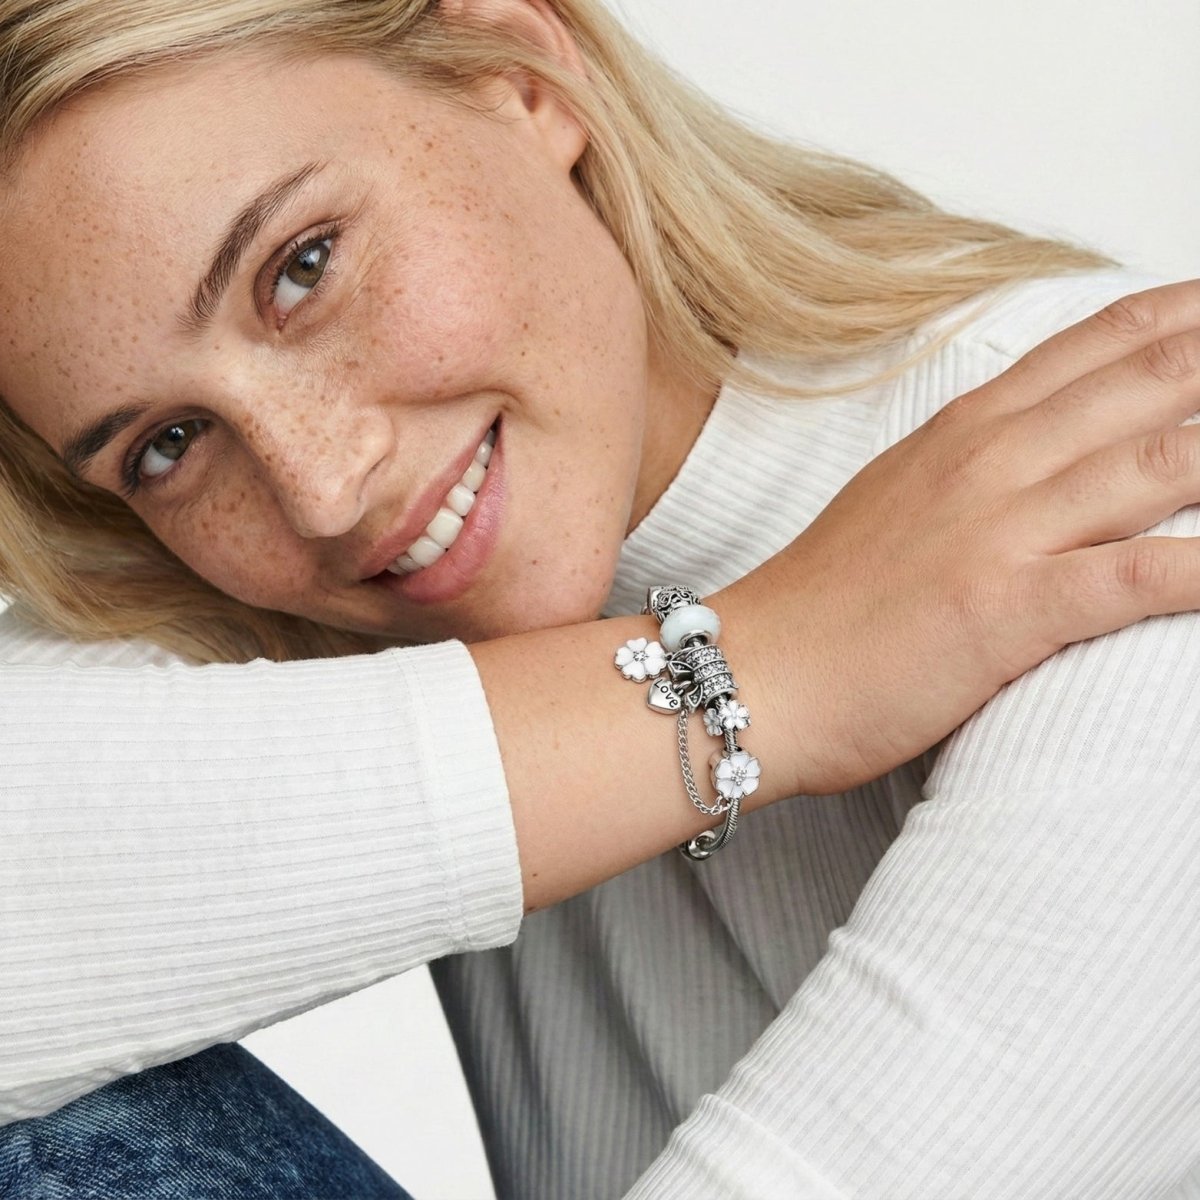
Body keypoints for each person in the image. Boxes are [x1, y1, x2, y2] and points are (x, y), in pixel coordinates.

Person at [0, 1, 1199, 1196]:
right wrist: (758, 675)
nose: (320, 490)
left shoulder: (1128, 531)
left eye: (303, 268)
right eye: (167, 444)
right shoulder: (312, 618)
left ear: (521, 75)